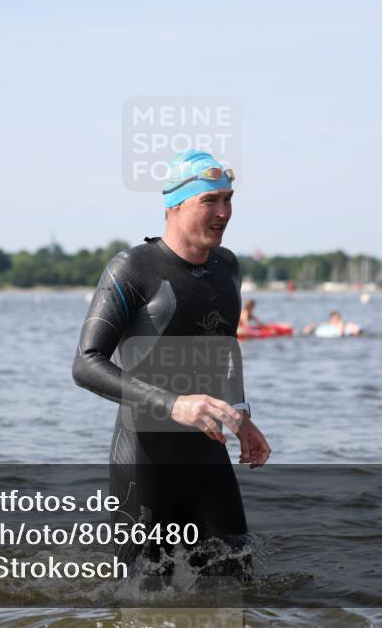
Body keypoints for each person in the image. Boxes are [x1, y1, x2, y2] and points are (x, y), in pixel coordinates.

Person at [72, 149, 271, 580]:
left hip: (208, 459)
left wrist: (241, 416)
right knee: (140, 599)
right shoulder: (133, 269)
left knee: (237, 591)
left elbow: (225, 348)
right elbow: (86, 364)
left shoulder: (227, 267)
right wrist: (174, 404)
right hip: (145, 462)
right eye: (210, 201)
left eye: (228, 199)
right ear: (175, 205)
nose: (224, 213)